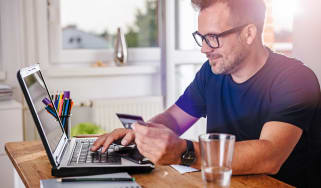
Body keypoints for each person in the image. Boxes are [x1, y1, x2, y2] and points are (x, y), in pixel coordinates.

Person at [91, 0, 321, 187]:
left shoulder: (295, 79)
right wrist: (139, 134)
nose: (204, 49)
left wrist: (185, 152)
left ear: (249, 34)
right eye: (201, 37)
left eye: (213, 38)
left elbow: (270, 156)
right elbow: (172, 119)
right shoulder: (212, 73)